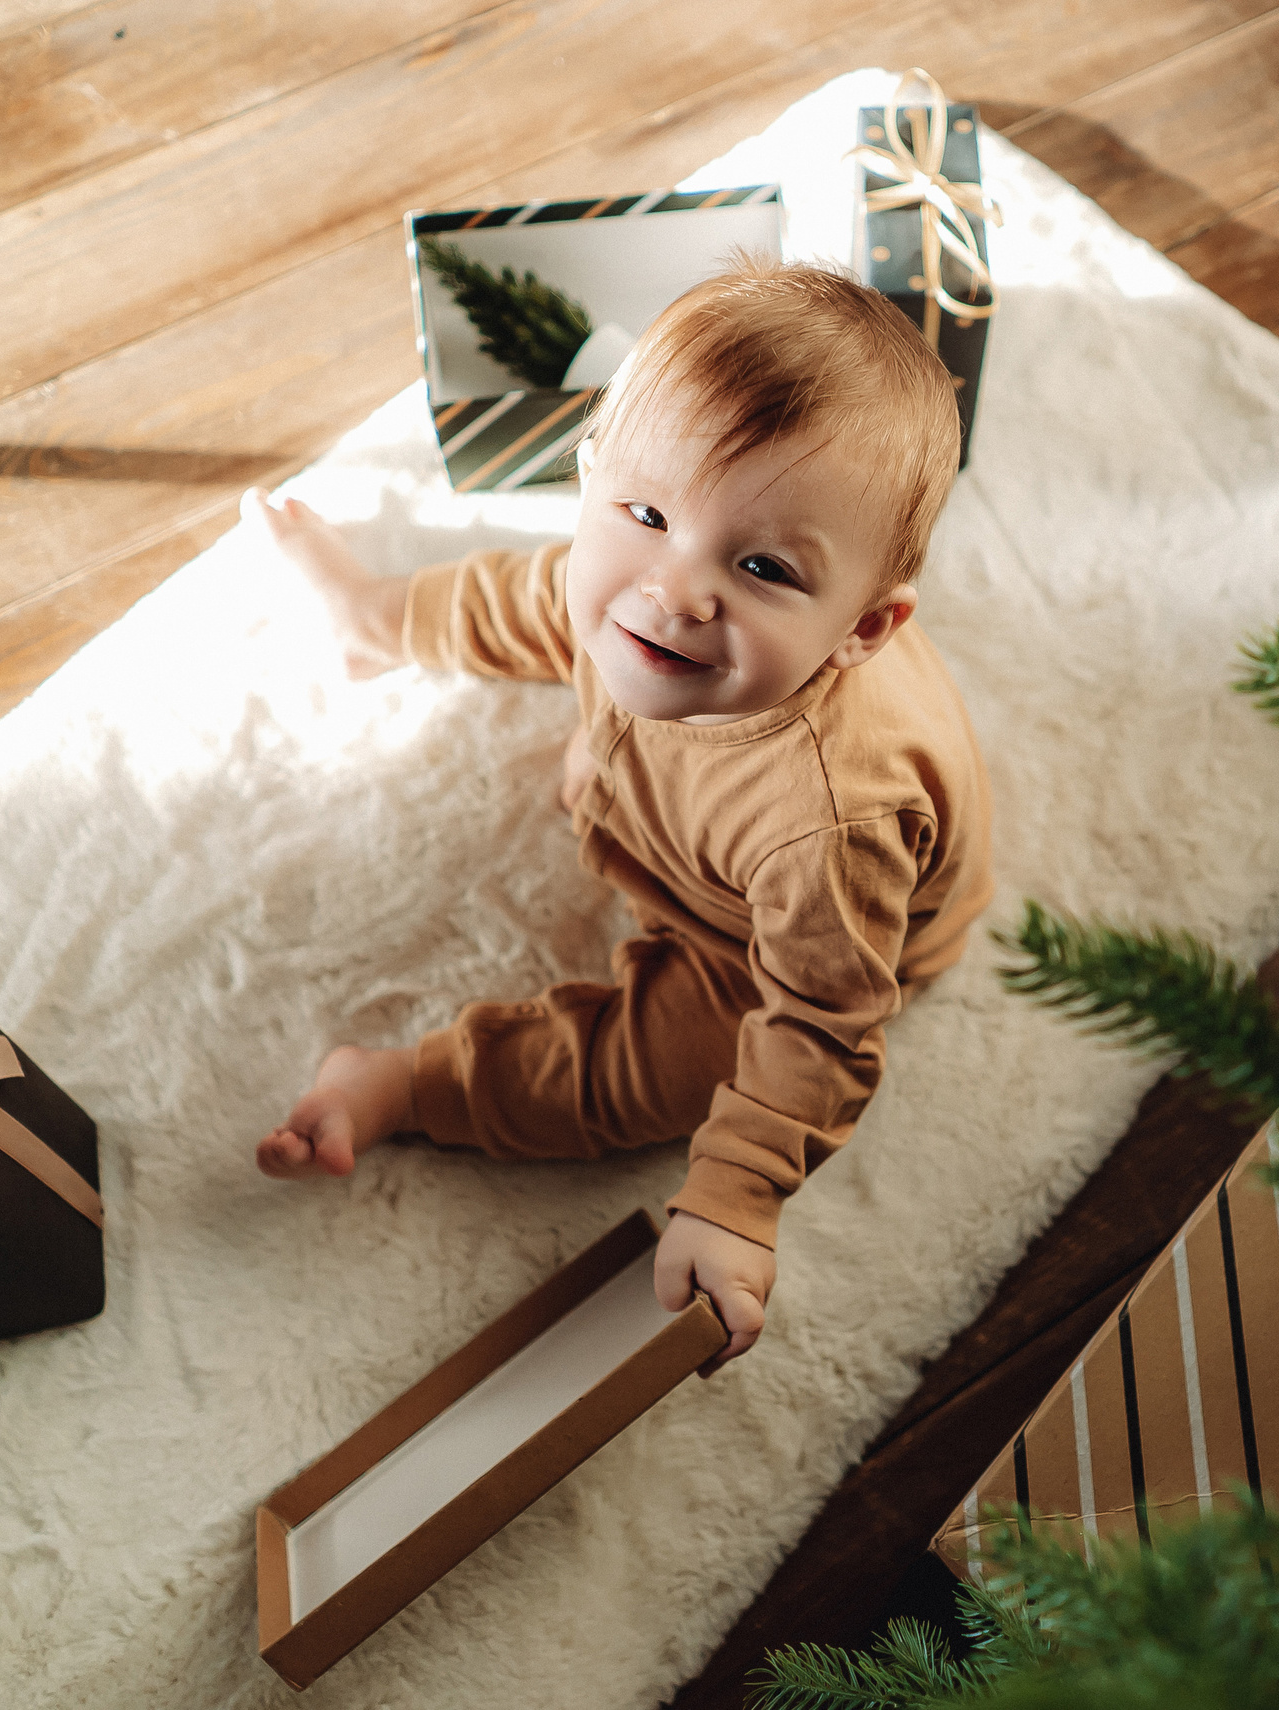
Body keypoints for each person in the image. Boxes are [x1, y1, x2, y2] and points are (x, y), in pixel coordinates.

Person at [248, 257, 993, 1370]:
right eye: (645, 513)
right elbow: (524, 602)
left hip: (762, 944)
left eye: (763, 567)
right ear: (590, 473)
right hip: (667, 820)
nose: (674, 588)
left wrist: (736, 1200)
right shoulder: (633, 590)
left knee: (661, 1072)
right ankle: (376, 627)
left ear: (862, 630)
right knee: (549, 604)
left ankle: (406, 1086)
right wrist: (386, 610)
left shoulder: (831, 824)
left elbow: (821, 1028)